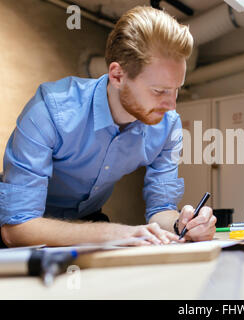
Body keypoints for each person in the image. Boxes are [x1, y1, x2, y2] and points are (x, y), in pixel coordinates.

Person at [0, 6, 216, 248]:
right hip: (26, 231)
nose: (171, 104)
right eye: (159, 91)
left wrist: (182, 223)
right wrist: (113, 233)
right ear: (117, 76)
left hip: (88, 225)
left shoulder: (167, 125)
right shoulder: (51, 109)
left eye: (177, 89)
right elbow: (17, 228)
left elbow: (160, 209)